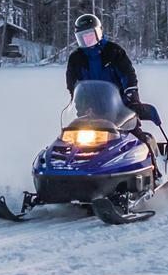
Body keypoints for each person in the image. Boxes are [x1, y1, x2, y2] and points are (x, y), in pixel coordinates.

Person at [65, 14, 160, 176]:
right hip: (90, 111)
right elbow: (73, 85)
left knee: (137, 139)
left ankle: (154, 173)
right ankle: (71, 176)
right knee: (76, 143)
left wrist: (131, 97)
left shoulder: (114, 52)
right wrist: (80, 104)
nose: (86, 41)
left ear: (98, 33)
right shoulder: (76, 58)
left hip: (120, 109)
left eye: (89, 36)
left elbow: (128, 76)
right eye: (82, 38)